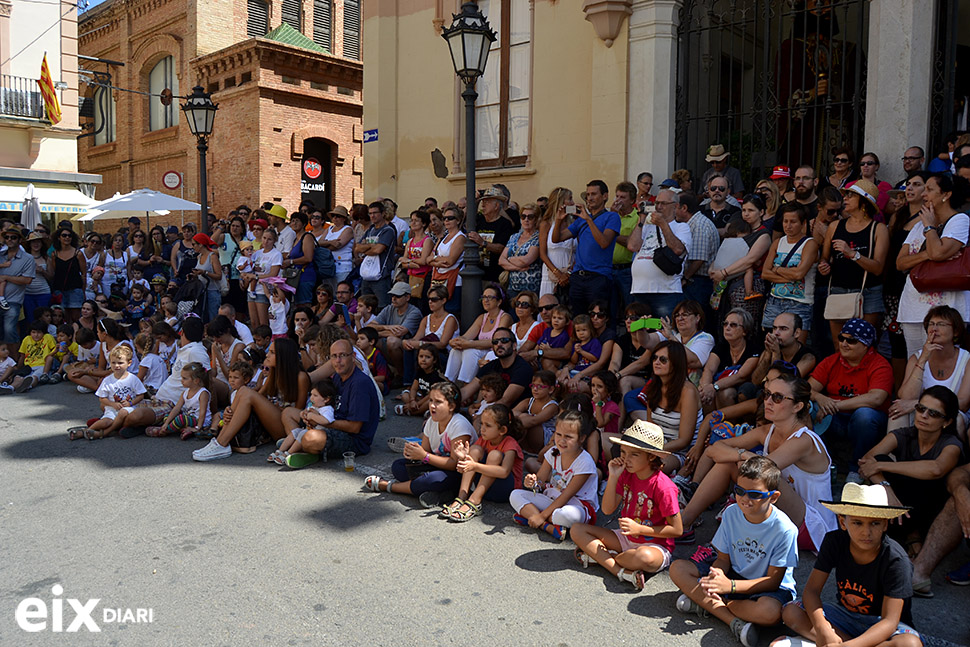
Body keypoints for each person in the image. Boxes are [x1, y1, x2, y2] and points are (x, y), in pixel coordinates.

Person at [679, 374, 836, 551]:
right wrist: (742, 454)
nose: (768, 401)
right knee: (731, 463)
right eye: (766, 394)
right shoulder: (767, 431)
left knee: (752, 473)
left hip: (812, 527)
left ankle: (720, 548)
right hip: (782, 516)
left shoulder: (804, 440)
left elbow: (761, 469)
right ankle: (684, 524)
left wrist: (741, 456)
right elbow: (714, 449)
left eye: (777, 397)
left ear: (797, 406)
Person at [670, 456, 799, 647]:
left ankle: (710, 604)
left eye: (755, 494)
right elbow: (723, 559)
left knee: (770, 613)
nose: (745, 499)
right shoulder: (731, 512)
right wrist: (717, 574)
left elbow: (772, 581)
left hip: (766, 586)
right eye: (739, 491)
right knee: (677, 568)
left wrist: (728, 587)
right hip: (734, 574)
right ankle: (732, 621)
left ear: (773, 497)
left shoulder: (785, 529)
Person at [776, 483, 922, 647]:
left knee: (910, 644)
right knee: (791, 611)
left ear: (885, 524)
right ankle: (834, 641)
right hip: (845, 616)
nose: (866, 532)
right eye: (857, 523)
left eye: (875, 523)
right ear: (843, 522)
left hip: (883, 626)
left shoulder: (896, 560)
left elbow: (890, 621)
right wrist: (823, 628)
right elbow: (811, 591)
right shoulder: (834, 542)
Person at [571, 421, 683, 590]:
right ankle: (619, 570)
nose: (626, 459)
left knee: (644, 557)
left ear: (651, 456)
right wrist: (613, 476)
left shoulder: (663, 486)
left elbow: (677, 530)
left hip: (655, 545)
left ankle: (603, 557)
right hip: (625, 538)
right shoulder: (625, 474)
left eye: (634, 455)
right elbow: (607, 509)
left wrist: (640, 530)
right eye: (623, 452)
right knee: (577, 530)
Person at [859, 386, 964, 553]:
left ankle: (911, 534)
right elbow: (866, 462)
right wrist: (886, 489)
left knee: (884, 465)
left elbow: (936, 469)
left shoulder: (951, 444)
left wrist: (881, 466)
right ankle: (906, 534)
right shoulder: (904, 435)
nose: (924, 415)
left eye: (934, 413)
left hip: (930, 509)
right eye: (921, 408)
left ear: (947, 422)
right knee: (879, 461)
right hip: (900, 504)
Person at [193, 336, 309, 462]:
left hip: (286, 427)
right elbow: (260, 396)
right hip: (272, 420)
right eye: (268, 351)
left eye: (272, 352)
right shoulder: (273, 373)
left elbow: (298, 412)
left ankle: (221, 443)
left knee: (246, 392)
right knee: (243, 391)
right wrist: (231, 409)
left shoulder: (300, 377)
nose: (267, 355)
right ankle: (220, 441)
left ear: (283, 356)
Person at [363, 380, 476, 507]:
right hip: (438, 467)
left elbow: (454, 464)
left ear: (451, 406)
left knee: (429, 480)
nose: (432, 405)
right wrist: (413, 453)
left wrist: (424, 456)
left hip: (458, 473)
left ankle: (390, 486)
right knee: (398, 467)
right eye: (431, 400)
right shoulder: (432, 421)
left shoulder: (459, 425)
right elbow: (426, 451)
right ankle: (441, 494)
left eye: (438, 402)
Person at [895, 174, 970, 357]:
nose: (923, 195)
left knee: (943, 362)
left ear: (946, 194)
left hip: (948, 309)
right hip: (913, 306)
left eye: (929, 190)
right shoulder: (918, 226)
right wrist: (931, 254)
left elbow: (938, 253)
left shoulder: (959, 220)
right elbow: (900, 263)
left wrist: (930, 228)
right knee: (916, 362)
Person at [810, 318, 892, 483]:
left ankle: (856, 469)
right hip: (837, 419)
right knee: (808, 407)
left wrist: (834, 405)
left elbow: (876, 398)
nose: (844, 344)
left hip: (868, 423)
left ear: (866, 345)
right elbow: (805, 389)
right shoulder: (831, 361)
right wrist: (820, 397)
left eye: (851, 340)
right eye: (842, 338)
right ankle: (824, 463)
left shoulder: (879, 365)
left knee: (865, 415)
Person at [509, 401, 599, 541]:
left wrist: (541, 515)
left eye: (568, 437)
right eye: (558, 434)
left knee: (564, 515)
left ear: (581, 438)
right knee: (515, 494)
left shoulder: (585, 462)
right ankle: (548, 527)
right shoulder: (553, 453)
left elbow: (567, 495)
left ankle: (533, 517)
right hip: (553, 499)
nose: (561, 441)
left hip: (577, 506)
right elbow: (540, 482)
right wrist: (532, 483)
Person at [288, 338, 380, 467]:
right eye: (334, 356)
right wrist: (312, 412)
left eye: (343, 355)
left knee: (310, 438)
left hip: (354, 440)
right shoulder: (338, 376)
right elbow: (328, 404)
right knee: (289, 413)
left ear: (353, 357)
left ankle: (302, 445)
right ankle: (302, 444)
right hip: (332, 426)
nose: (338, 361)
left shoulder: (360, 384)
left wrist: (320, 421)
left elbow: (354, 428)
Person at [818, 179, 888, 341]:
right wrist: (824, 265)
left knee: (865, 345)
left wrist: (853, 254)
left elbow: (878, 268)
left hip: (868, 293)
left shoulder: (878, 229)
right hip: (838, 291)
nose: (845, 199)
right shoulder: (835, 226)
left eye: (850, 195)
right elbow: (825, 258)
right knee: (839, 345)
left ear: (863, 202)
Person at [889, 306, 970, 438]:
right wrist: (922, 361)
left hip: (950, 413)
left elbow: (963, 403)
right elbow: (905, 397)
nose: (934, 328)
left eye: (941, 324)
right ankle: (891, 458)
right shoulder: (917, 357)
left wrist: (918, 404)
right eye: (931, 324)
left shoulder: (967, 360)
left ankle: (951, 456)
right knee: (897, 413)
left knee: (957, 419)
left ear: (955, 331)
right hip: (922, 412)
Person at [625, 341, 702, 474]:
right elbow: (650, 427)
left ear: (675, 363)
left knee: (646, 466)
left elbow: (684, 440)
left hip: (680, 452)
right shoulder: (654, 387)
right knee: (604, 440)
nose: (656, 362)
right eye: (654, 358)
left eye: (663, 359)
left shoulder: (687, 391)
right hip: (656, 446)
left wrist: (651, 450)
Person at [441, 404, 525, 522]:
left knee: (495, 455)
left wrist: (474, 466)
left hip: (504, 490)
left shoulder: (510, 444)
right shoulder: (484, 440)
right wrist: (464, 458)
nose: (482, 429)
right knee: (474, 450)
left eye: (488, 425)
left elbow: (504, 472)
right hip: (485, 487)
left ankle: (474, 501)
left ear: (502, 430)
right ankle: (462, 496)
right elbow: (467, 467)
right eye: (482, 424)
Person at [884, 172, 930, 381]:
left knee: (917, 343)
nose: (910, 188)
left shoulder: (929, 218)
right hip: (893, 285)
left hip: (916, 288)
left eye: (916, 185)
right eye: (908, 184)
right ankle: (899, 391)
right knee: (896, 341)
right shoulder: (898, 215)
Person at [551, 180, 621, 316]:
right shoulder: (581, 219)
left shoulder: (611, 217)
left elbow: (604, 242)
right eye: (588, 194)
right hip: (578, 277)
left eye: (594, 194)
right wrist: (559, 220)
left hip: (599, 277)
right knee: (579, 319)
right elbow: (556, 239)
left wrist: (589, 219)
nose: (590, 198)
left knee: (598, 319)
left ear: (605, 196)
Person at [628, 189, 690, 318]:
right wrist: (641, 220)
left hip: (666, 291)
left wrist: (663, 224)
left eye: (663, 203)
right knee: (642, 333)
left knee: (664, 331)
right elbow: (632, 246)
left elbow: (678, 249)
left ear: (676, 206)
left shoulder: (682, 227)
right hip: (640, 290)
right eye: (656, 203)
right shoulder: (647, 226)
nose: (659, 207)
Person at [710, 195, 772, 324]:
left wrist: (723, 273)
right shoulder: (739, 228)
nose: (746, 214)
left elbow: (749, 260)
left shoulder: (764, 235)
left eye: (751, 210)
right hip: (728, 283)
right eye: (744, 210)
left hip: (749, 284)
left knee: (743, 324)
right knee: (727, 323)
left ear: (761, 212)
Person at [760, 202, 818, 337]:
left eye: (793, 222)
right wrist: (790, 276)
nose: (788, 225)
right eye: (785, 221)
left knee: (797, 345)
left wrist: (777, 269)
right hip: (775, 300)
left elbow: (799, 274)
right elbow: (765, 273)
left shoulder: (809, 243)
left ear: (803, 223)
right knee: (770, 343)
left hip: (800, 302)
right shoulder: (778, 242)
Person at [68, 344, 146, 440]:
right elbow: (102, 398)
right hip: (112, 408)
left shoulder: (133, 379)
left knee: (123, 412)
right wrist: (112, 404)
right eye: (113, 363)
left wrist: (130, 403)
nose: (116, 366)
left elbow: (141, 395)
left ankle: (104, 433)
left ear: (129, 363)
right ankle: (87, 431)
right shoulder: (107, 380)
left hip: (130, 408)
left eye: (120, 363)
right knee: (106, 422)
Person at [444, 283, 512, 384]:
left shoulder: (505, 317)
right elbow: (466, 336)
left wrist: (470, 344)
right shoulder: (482, 317)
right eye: (484, 297)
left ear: (499, 302)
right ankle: (449, 382)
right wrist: (455, 341)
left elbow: (495, 342)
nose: (485, 300)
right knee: (456, 350)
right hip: (482, 351)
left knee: (470, 351)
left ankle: (466, 384)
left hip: (494, 352)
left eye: (490, 297)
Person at [700, 309, 761, 410]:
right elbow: (709, 369)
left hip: (740, 388)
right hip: (718, 385)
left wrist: (714, 387)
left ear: (745, 331)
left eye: (733, 325)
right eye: (725, 324)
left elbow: (741, 376)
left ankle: (727, 425)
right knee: (702, 390)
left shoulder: (753, 349)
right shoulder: (721, 347)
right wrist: (706, 387)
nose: (727, 328)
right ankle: (710, 424)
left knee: (725, 393)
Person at [458, 327, 533, 407]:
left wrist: (481, 415)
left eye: (504, 341)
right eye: (495, 342)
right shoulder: (491, 366)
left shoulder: (522, 368)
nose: (499, 344)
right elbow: (466, 391)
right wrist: (449, 400)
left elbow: (506, 401)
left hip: (512, 413)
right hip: (490, 409)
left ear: (514, 346)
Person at [271, 379, 336, 465]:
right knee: (295, 431)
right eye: (311, 394)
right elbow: (304, 412)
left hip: (318, 434)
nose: (312, 398)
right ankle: (279, 451)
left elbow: (326, 420)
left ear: (326, 399)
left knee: (301, 434)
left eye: (315, 395)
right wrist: (303, 414)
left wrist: (312, 416)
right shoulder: (314, 406)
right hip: (308, 429)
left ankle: (288, 453)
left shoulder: (327, 409)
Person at [370, 281, 422, 380]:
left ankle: (401, 375)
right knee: (371, 340)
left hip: (408, 348)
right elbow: (369, 327)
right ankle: (385, 372)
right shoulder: (389, 308)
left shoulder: (414, 312)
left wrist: (378, 333)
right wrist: (386, 327)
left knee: (392, 341)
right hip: (391, 346)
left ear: (407, 298)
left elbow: (399, 333)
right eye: (392, 295)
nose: (393, 299)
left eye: (397, 296)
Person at [146, 361, 211, 440]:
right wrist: (166, 423)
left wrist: (198, 427)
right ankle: (180, 429)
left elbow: (202, 412)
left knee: (181, 419)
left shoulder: (202, 393)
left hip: (199, 420)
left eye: (185, 378)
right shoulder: (185, 392)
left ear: (196, 381)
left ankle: (165, 431)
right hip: (188, 417)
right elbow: (177, 408)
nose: (181, 380)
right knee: (168, 415)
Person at [750, 313, 816, 385]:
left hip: (788, 394)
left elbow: (781, 386)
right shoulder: (771, 348)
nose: (776, 333)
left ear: (797, 333)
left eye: (783, 329)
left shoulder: (808, 357)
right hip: (767, 392)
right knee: (748, 387)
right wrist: (768, 353)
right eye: (775, 328)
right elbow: (755, 382)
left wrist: (776, 354)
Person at [357, 201, 398, 309]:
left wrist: (366, 248)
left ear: (383, 213)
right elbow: (357, 247)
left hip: (382, 276)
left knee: (382, 307)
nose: (372, 216)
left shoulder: (388, 230)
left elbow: (378, 250)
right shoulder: (370, 230)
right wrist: (372, 246)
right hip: (367, 275)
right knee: (365, 307)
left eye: (375, 213)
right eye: (370, 213)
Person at [538, 187, 577, 299]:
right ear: (560, 202)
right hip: (550, 274)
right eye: (569, 199)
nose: (573, 202)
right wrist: (558, 274)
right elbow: (542, 254)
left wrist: (568, 274)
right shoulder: (546, 224)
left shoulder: (574, 223)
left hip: (569, 274)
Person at [427, 205, 465, 314]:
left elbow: (451, 261)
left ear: (458, 220)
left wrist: (435, 260)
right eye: (445, 218)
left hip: (453, 280)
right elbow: (428, 259)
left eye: (450, 218)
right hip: (439, 279)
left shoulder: (460, 237)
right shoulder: (443, 237)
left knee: (451, 310)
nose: (447, 220)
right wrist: (439, 260)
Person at [243, 228, 282, 328]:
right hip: (252, 289)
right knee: (254, 322)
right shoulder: (257, 253)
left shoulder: (276, 254)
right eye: (264, 238)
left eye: (269, 239)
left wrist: (256, 276)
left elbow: (273, 274)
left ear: (274, 241)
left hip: (264, 290)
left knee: (263, 323)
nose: (266, 241)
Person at [499, 203, 541, 297]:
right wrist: (517, 268)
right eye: (523, 216)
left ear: (536, 219)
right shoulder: (514, 236)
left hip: (531, 288)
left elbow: (526, 261)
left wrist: (509, 259)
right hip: (512, 287)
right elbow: (501, 260)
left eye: (530, 217)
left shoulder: (538, 237)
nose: (526, 220)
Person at [396, 343, 445, 417]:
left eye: (428, 357)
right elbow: (414, 388)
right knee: (405, 396)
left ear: (434, 360)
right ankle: (425, 412)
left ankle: (411, 412)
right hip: (422, 397)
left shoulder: (436, 375)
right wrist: (412, 400)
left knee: (430, 402)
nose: (423, 360)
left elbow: (430, 395)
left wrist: (417, 404)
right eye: (421, 356)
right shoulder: (420, 371)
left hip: (433, 398)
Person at [280, 212, 317, 306]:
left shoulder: (307, 237)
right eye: (292, 221)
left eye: (297, 221)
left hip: (305, 276)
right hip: (296, 277)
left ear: (304, 224)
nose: (294, 223)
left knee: (304, 304)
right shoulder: (295, 239)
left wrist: (291, 261)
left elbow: (308, 258)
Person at [399, 209, 432, 305]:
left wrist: (408, 261)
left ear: (424, 223)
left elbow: (423, 261)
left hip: (423, 276)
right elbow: (402, 262)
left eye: (416, 220)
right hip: (411, 277)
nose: (412, 223)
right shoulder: (410, 241)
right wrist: (411, 264)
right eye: (411, 220)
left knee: (422, 304)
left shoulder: (427, 240)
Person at [22, 232, 52, 334]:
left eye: (38, 242)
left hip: (43, 292)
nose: (36, 244)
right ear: (29, 244)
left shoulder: (46, 258)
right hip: (27, 293)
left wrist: (42, 271)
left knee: (43, 319)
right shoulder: (23, 258)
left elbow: (51, 276)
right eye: (33, 242)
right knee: (30, 319)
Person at [319, 205, 356, 283]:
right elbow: (319, 243)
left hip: (343, 266)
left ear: (344, 218)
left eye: (338, 216)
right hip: (328, 266)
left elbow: (337, 245)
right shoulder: (329, 229)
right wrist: (330, 242)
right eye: (333, 216)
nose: (335, 218)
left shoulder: (348, 229)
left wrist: (324, 246)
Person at [854, 151, 893, 217]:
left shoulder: (885, 186)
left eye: (869, 163)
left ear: (876, 167)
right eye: (862, 164)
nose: (865, 165)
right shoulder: (851, 185)